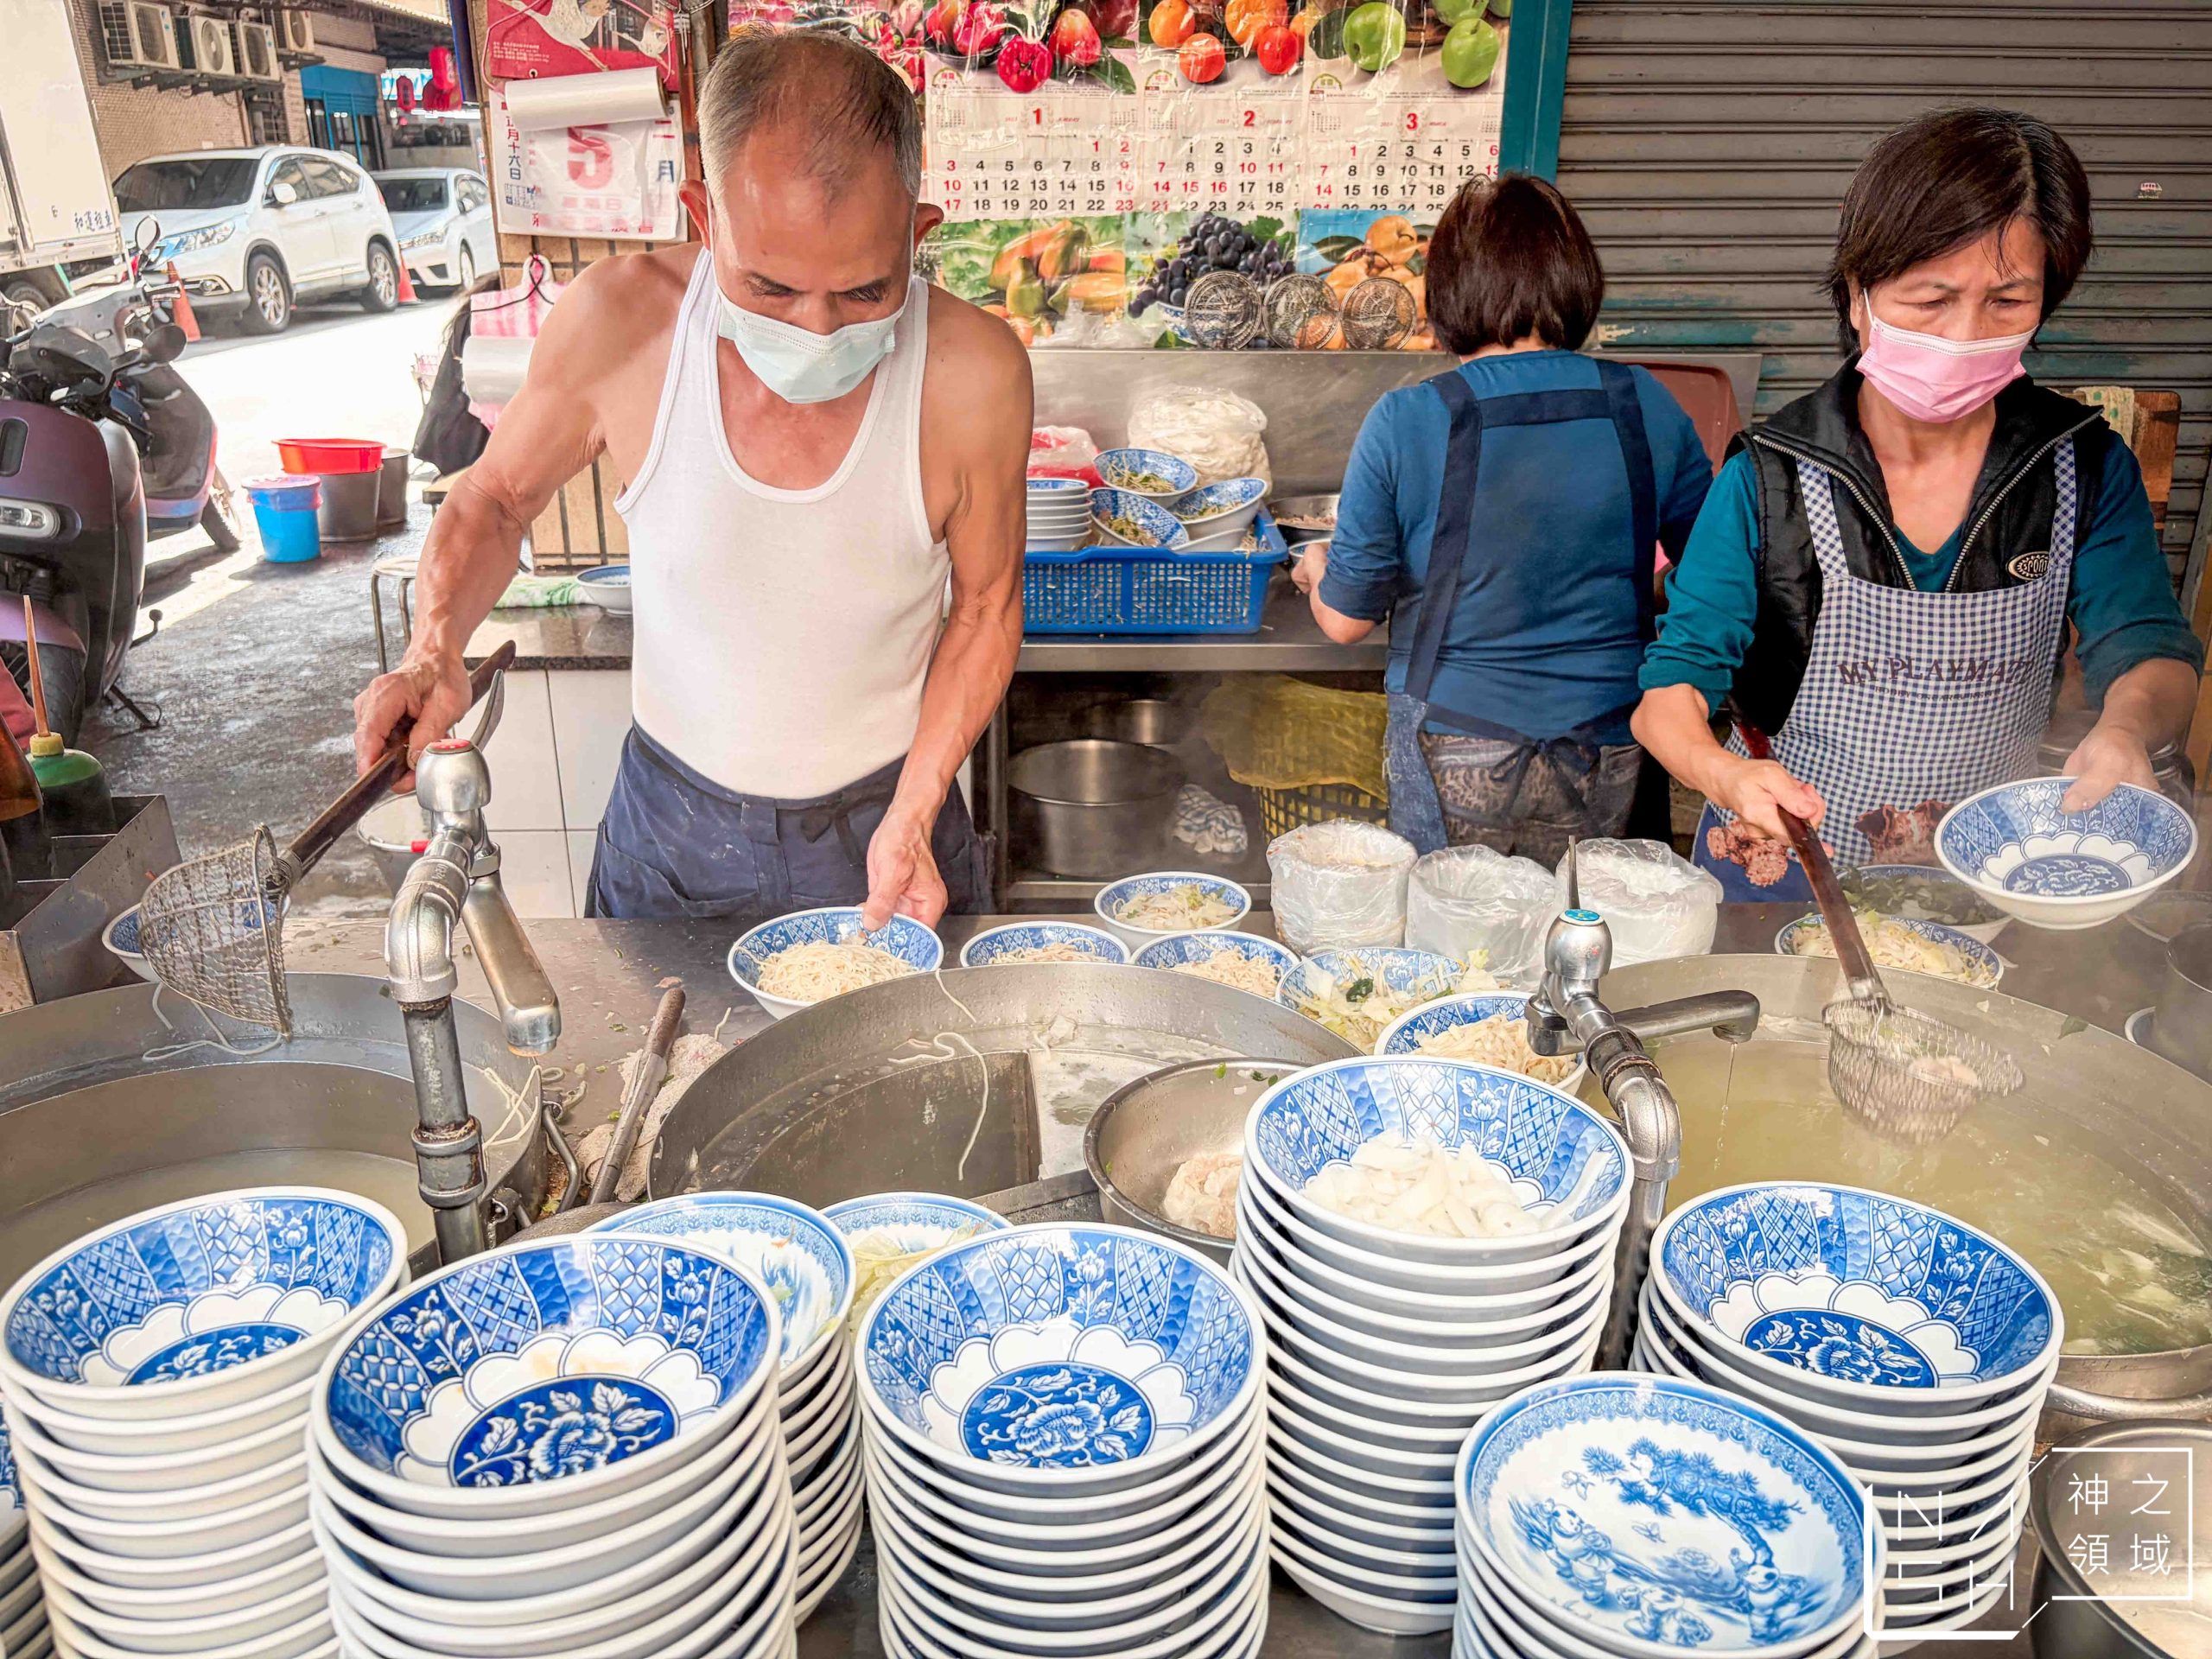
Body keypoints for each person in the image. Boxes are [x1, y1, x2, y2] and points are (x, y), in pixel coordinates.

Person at [352, 30, 1029, 929]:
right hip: (672, 828)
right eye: (772, 289)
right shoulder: (620, 322)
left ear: (917, 230)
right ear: (706, 220)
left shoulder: (972, 372)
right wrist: (433, 649)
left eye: (865, 292)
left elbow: (985, 606)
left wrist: (916, 804)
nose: (820, 330)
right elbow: (494, 496)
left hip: (892, 812)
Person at [1636, 107, 2202, 896]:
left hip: (1994, 870)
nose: (1965, 334)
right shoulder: (1772, 477)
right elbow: (1669, 693)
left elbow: (2152, 651)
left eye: (2006, 303)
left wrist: (2123, 729)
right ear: (1857, 293)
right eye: (1930, 299)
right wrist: (1724, 775)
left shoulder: (2079, 464)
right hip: (1788, 862)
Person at [1293, 175, 1714, 865]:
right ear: (1574, 278)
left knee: (1457, 942)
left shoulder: (1407, 418)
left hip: (1455, 735)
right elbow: (1711, 579)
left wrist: (1317, 571)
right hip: (1611, 738)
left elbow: (1345, 622)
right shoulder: (1647, 404)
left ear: (1449, 292)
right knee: (1587, 935)